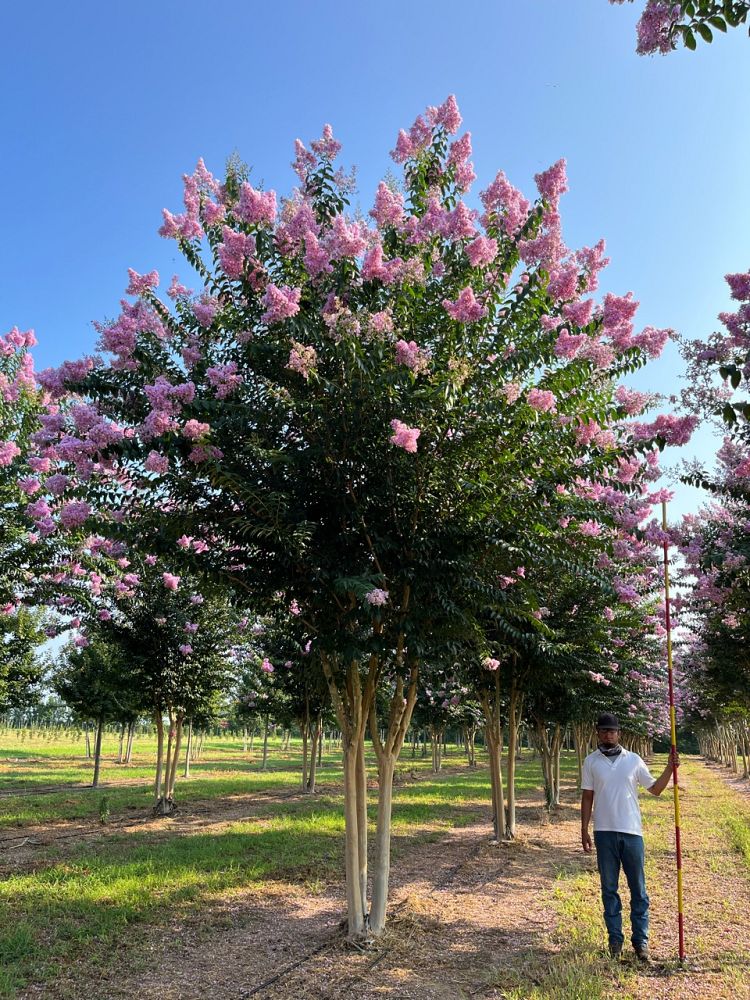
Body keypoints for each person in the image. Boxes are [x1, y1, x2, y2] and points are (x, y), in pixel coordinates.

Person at [580, 712, 679, 962]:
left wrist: (670, 768)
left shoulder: (633, 760)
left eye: (611, 731)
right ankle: (615, 940)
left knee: (638, 890)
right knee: (609, 889)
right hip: (603, 832)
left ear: (619, 733)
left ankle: (640, 942)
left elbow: (655, 789)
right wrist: (583, 829)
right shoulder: (591, 762)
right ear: (597, 733)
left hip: (632, 832)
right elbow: (587, 797)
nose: (608, 734)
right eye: (603, 730)